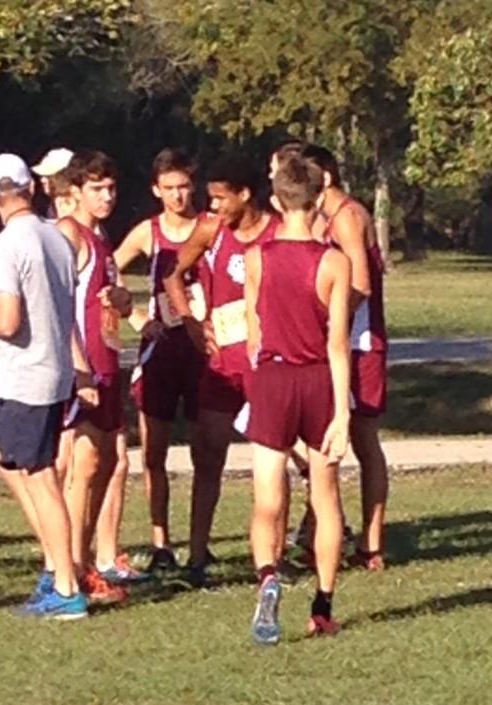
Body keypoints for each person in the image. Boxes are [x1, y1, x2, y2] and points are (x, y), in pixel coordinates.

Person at [0, 153, 87, 619]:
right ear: (31, 187)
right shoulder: (59, 237)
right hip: (55, 370)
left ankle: (65, 584)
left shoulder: (7, 245)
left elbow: (7, 321)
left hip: (26, 374)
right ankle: (59, 568)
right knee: (18, 466)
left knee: (41, 478)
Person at [244, 155, 351, 644]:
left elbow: (252, 331)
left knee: (268, 495)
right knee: (324, 498)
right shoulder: (334, 262)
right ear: (319, 198)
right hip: (317, 382)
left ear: (275, 200)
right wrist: (343, 412)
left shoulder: (257, 258)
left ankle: (268, 575)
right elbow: (337, 343)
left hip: (272, 376)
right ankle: (323, 604)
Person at [163, 154, 280, 586]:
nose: (212, 207)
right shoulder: (211, 231)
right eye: (209, 198)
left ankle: (274, 558)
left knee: (275, 460)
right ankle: (197, 555)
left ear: (245, 195)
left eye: (220, 198)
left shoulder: (276, 232)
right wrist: (190, 322)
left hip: (266, 362)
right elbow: (173, 274)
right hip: (221, 364)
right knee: (208, 455)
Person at [113, 148, 206, 571]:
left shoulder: (210, 228)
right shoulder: (148, 233)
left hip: (203, 350)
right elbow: (104, 270)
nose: (177, 196)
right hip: (161, 350)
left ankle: (200, 545)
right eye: (169, 189)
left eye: (184, 187)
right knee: (154, 453)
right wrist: (133, 315)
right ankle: (161, 543)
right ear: (156, 190)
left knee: (207, 451)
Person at [302, 144, 390, 571]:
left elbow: (361, 284)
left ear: (325, 178)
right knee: (321, 435)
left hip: (359, 342)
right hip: (334, 343)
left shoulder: (349, 216)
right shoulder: (319, 220)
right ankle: (314, 526)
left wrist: (328, 318)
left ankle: (372, 544)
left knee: (362, 439)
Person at [55, 150, 134, 603]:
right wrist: (77, 367)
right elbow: (58, 302)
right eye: (97, 189)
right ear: (76, 192)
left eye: (111, 188)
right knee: (82, 467)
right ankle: (69, 568)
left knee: (103, 465)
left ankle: (84, 563)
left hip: (107, 363)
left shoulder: (103, 241)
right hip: (84, 367)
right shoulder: (71, 232)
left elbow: (101, 301)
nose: (107, 196)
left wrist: (122, 300)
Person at [32, 147, 74, 219]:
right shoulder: (49, 205)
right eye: (42, 176)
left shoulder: (78, 206)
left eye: (49, 176)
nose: (42, 180)